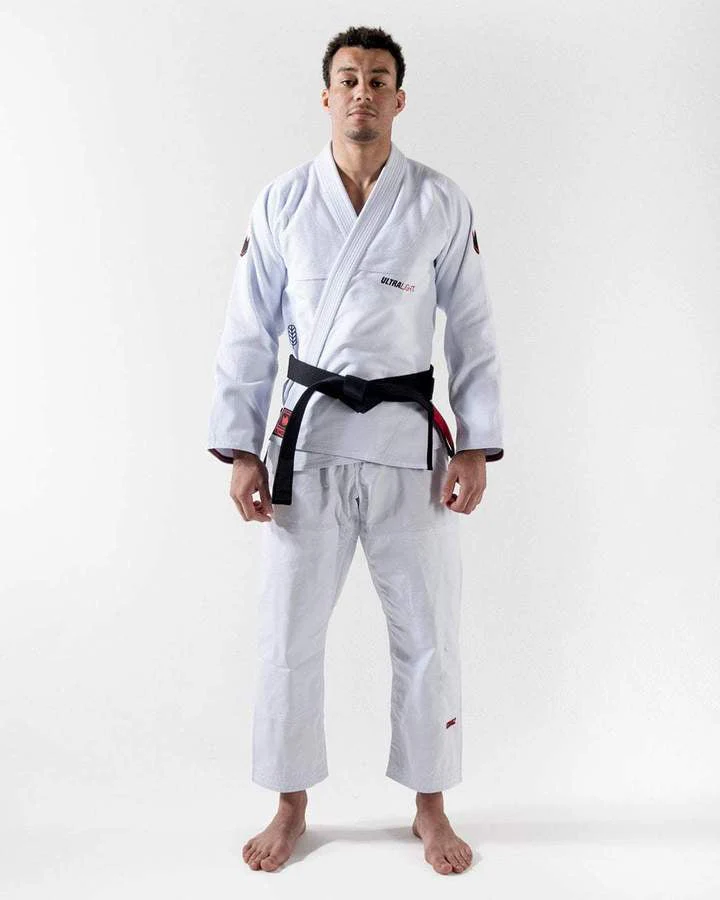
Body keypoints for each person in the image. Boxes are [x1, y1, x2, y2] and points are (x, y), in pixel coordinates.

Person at [207, 25, 504, 875]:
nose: (362, 92)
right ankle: (291, 802)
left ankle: (430, 806)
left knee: (429, 632)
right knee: (288, 632)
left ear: (399, 99)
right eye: (348, 79)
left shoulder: (439, 201)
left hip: (410, 446)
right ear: (327, 96)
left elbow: (473, 328)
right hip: (307, 446)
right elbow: (247, 330)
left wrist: (476, 442)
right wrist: (241, 449)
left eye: (378, 79)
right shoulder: (282, 202)